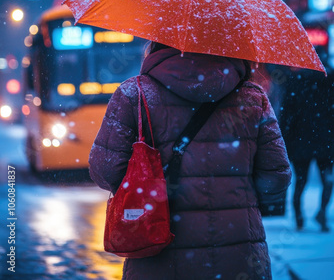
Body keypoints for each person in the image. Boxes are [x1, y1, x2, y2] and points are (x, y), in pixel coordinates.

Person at [89, 42, 292, 280]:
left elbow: (104, 170)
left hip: (158, 250)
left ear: (158, 39)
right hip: (239, 256)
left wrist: (149, 183)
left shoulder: (134, 94)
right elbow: (276, 178)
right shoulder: (253, 98)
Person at [279, 67, 334, 232]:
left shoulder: (295, 82)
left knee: (300, 181)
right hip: (326, 141)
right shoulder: (329, 82)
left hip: (300, 141)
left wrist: (285, 143)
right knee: (327, 180)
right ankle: (322, 213)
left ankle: (298, 217)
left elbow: (286, 115)